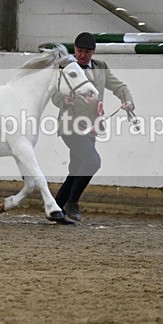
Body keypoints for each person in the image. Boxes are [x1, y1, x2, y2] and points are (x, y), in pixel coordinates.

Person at [51, 32, 135, 223]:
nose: (82, 55)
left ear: (93, 52)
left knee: (77, 168)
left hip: (91, 127)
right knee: (92, 161)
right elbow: (54, 94)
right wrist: (64, 99)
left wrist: (127, 101)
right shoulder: (66, 67)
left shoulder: (101, 67)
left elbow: (119, 87)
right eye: (79, 51)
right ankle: (71, 203)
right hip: (70, 126)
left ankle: (55, 208)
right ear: (74, 49)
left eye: (87, 52)